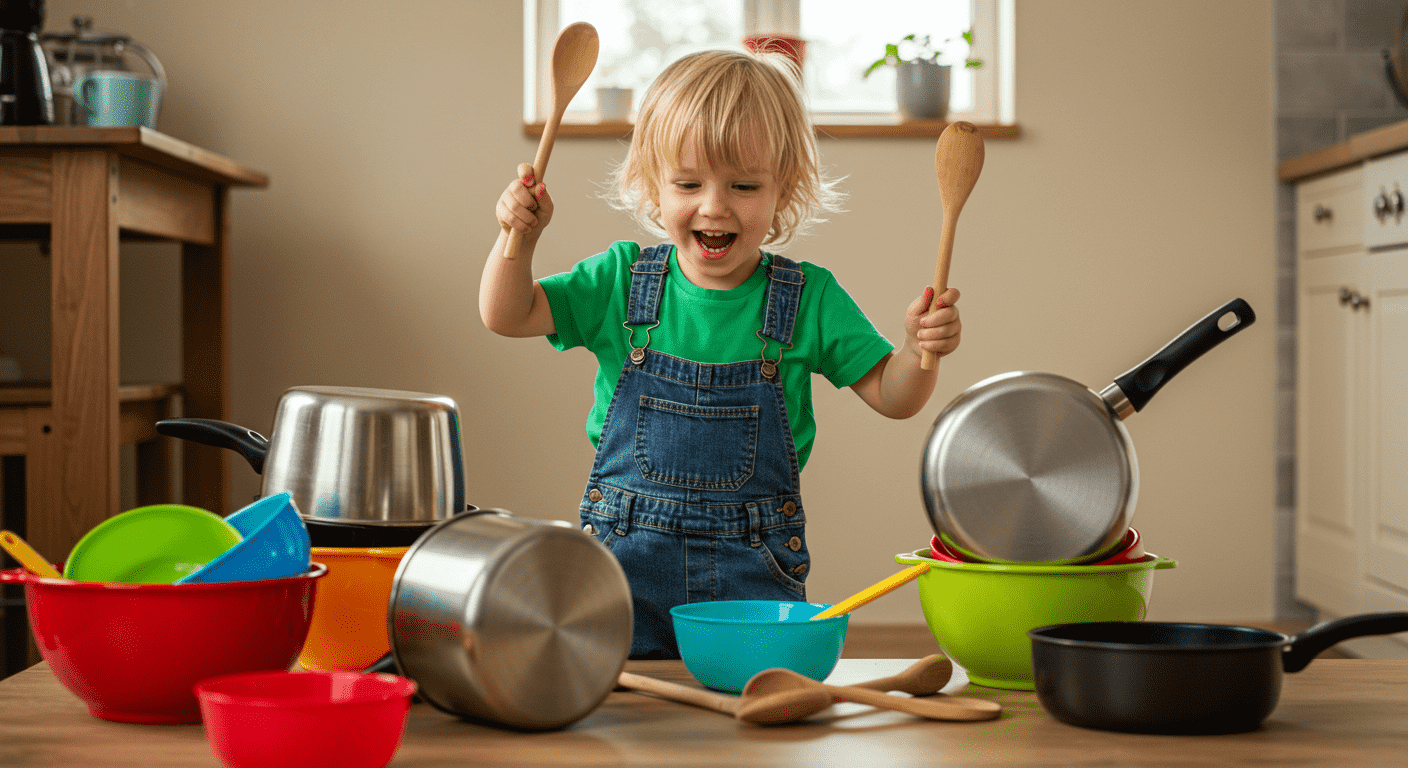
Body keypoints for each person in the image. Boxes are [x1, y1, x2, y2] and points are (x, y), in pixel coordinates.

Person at [480, 48, 962, 659]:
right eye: (688, 184)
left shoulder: (808, 298)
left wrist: (920, 350)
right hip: (623, 573)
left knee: (750, 706)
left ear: (784, 190)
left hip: (751, 581)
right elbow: (506, 314)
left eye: (745, 186)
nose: (715, 205)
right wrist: (517, 239)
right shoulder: (620, 281)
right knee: (626, 709)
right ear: (652, 186)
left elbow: (896, 397)